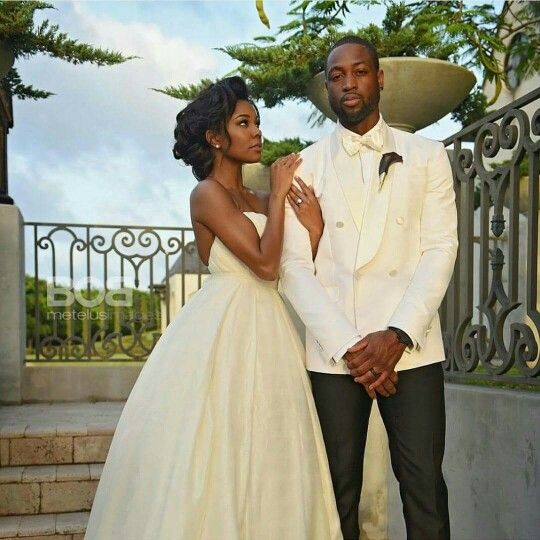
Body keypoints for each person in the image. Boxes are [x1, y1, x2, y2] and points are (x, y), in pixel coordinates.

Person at [84, 76, 343, 540]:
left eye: (257, 122)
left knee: (271, 442)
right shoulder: (207, 195)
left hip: (274, 329)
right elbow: (264, 264)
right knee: (220, 443)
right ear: (215, 138)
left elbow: (292, 269)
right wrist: (280, 196)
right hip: (224, 328)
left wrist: (315, 229)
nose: (257, 131)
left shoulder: (259, 199)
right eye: (244, 123)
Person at [279, 36, 458, 540]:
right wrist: (352, 347)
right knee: (336, 492)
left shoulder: (427, 156)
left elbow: (440, 249)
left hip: (411, 349)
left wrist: (396, 335)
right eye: (337, 76)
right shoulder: (304, 165)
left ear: (379, 79)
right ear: (328, 89)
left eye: (359, 72)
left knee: (424, 488)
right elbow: (294, 267)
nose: (348, 83)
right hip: (336, 353)